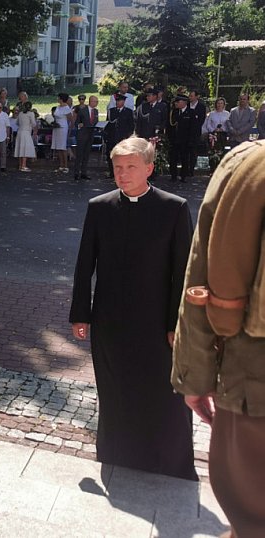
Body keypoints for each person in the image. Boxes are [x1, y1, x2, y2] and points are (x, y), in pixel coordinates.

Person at [70, 136, 197, 481]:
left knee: (163, 396)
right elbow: (85, 265)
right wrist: (81, 313)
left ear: (150, 168)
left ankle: (168, 463)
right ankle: (117, 457)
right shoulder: (100, 207)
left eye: (131, 167)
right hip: (110, 322)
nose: (122, 174)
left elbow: (183, 271)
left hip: (157, 325)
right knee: (116, 392)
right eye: (117, 167)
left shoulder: (174, 208)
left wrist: (176, 324)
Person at [171, 140, 265, 538]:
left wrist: (194, 376)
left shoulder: (250, 165)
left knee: (252, 520)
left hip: (253, 387)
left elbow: (202, 280)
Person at [103, 93, 135, 179]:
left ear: (123, 102)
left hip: (122, 137)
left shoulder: (128, 112)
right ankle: (112, 172)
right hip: (112, 137)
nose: (117, 102)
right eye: (117, 101)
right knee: (111, 155)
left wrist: (128, 137)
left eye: (120, 101)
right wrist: (106, 136)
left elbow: (131, 125)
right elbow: (108, 123)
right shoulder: (112, 111)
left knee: (123, 156)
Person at [166, 94, 195, 183]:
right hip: (174, 139)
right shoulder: (173, 112)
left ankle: (183, 176)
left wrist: (191, 140)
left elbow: (193, 127)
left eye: (178, 102)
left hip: (185, 140)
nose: (176, 104)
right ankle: (173, 175)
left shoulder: (191, 112)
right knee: (173, 158)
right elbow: (170, 126)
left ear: (184, 102)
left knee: (184, 158)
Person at [72, 96, 99, 180]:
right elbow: (77, 122)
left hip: (91, 134)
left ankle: (84, 172)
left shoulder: (96, 111)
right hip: (82, 134)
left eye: (97, 101)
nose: (96, 103)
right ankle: (76, 173)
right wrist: (79, 125)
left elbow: (95, 121)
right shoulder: (82, 110)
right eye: (95, 101)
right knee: (79, 154)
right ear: (91, 101)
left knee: (86, 154)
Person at [14, 96, 37, 172]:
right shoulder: (31, 114)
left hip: (20, 132)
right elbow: (33, 124)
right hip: (26, 132)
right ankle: (23, 166)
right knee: (25, 149)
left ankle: (20, 165)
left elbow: (17, 123)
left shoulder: (20, 114)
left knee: (20, 148)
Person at [51, 93, 72, 172]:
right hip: (57, 127)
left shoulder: (66, 108)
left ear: (61, 99)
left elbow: (70, 119)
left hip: (63, 127)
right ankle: (61, 165)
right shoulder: (57, 107)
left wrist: (70, 129)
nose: (57, 99)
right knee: (58, 147)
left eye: (58, 98)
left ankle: (66, 166)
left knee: (63, 147)